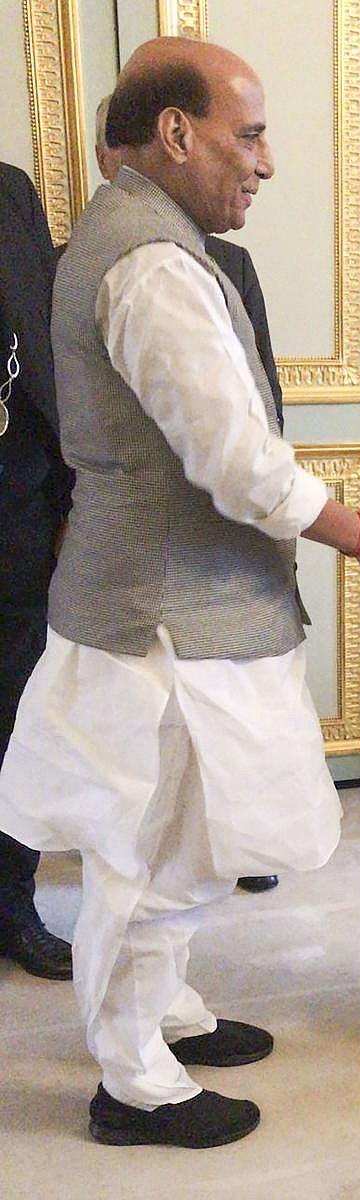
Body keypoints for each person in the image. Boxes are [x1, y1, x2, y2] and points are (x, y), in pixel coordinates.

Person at [0, 36, 360, 1149]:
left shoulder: (133, 235)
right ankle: (134, 1082)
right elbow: (234, 460)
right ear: (176, 133)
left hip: (153, 609)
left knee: (170, 844)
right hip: (168, 625)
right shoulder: (150, 261)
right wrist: (359, 532)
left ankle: (165, 1016)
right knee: (163, 857)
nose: (266, 162)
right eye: (248, 133)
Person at [96, 93, 281, 897]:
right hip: (143, 554)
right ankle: (148, 1002)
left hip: (231, 539)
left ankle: (236, 839)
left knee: (235, 710)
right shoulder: (95, 264)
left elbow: (261, 399)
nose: (261, 162)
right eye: (246, 137)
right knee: (156, 741)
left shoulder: (229, 264)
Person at [0, 162, 75, 982]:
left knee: (12, 712)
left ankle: (12, 903)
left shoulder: (10, 192)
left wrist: (65, 496)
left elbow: (40, 346)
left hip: (15, 501)